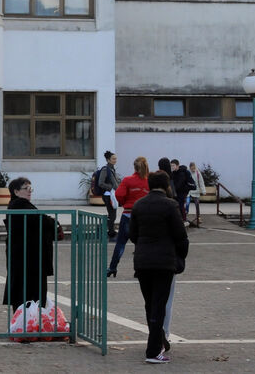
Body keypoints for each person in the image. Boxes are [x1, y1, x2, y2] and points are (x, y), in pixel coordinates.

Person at [129, 170, 189, 364]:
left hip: (143, 261)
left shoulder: (138, 205)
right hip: (164, 262)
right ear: (166, 186)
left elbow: (133, 234)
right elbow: (181, 236)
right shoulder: (170, 205)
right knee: (159, 305)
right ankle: (154, 350)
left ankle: (158, 340)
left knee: (150, 304)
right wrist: (180, 256)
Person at [3, 177, 57, 310]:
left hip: (26, 257)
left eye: (30, 188)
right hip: (28, 259)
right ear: (16, 192)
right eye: (26, 188)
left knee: (24, 293)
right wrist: (53, 223)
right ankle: (28, 319)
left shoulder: (18, 204)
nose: (29, 191)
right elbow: (42, 220)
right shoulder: (20, 204)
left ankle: (26, 317)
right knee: (29, 293)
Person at [108, 156, 150, 277]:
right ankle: (138, 270)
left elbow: (119, 194)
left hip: (128, 214)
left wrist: (125, 202)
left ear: (134, 167)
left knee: (121, 243)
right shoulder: (149, 181)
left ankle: (113, 267)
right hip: (143, 215)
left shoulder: (127, 180)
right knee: (140, 244)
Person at [97, 150, 121, 239]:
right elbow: (100, 183)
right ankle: (111, 232)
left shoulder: (112, 169)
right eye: (113, 159)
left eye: (116, 159)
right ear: (108, 160)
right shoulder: (105, 170)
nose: (115, 160)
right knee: (112, 215)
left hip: (112, 195)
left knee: (112, 215)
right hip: (108, 195)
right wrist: (110, 188)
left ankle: (105, 229)